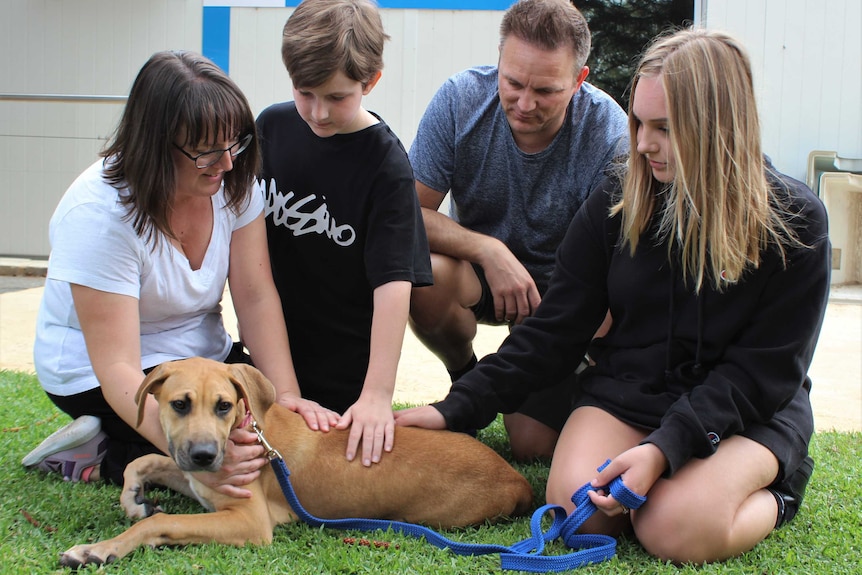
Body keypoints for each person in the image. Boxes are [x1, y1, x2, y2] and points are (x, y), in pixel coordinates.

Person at [396, 28, 830, 564]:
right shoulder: (618, 196)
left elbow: (762, 373)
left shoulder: (796, 223)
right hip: (632, 390)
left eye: (665, 129)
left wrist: (665, 449)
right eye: (639, 124)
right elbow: (555, 330)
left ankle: (777, 493)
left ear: (721, 127)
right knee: (577, 511)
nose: (643, 144)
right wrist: (454, 410)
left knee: (674, 528)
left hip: (745, 412)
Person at [24, 50, 338, 497]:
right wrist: (197, 457)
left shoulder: (232, 181)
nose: (228, 163)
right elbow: (117, 365)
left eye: (236, 144)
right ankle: (99, 454)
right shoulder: (98, 214)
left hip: (201, 354)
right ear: (153, 143)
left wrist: (284, 399)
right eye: (207, 152)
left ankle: (119, 443)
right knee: (220, 465)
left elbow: (254, 294)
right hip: (99, 371)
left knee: (269, 440)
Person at [407, 0, 627, 460]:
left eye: (545, 90)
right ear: (500, 61)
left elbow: (615, 267)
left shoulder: (610, 132)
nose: (524, 103)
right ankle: (465, 374)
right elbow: (406, 216)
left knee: (531, 445)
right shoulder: (460, 98)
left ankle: (564, 383)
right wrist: (489, 251)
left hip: (569, 294)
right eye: (513, 82)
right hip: (485, 277)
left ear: (579, 80)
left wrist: (562, 317)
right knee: (422, 272)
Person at [257, 0, 432, 467]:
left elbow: (394, 286)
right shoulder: (270, 128)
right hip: (270, 361)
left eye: (337, 97)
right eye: (304, 92)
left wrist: (376, 394)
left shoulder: (386, 165)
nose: (318, 112)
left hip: (342, 379)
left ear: (370, 81)